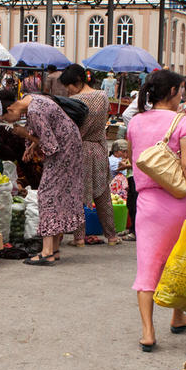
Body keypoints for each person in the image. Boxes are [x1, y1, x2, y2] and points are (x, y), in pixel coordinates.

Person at [126, 69, 186, 351]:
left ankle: (148, 332)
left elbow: (136, 159)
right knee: (180, 262)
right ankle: (178, 315)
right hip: (178, 201)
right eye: (181, 90)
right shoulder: (183, 123)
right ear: (173, 92)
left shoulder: (134, 123)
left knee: (147, 266)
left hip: (146, 203)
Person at [0, 89, 84, 265]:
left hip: (64, 153)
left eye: (4, 119)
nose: (7, 123)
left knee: (47, 195)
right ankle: (53, 249)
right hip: (70, 148)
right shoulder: (33, 100)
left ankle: (46, 252)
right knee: (56, 195)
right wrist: (30, 146)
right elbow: (46, 131)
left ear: (10, 110)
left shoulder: (34, 111)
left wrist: (25, 135)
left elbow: (50, 146)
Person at [60, 64, 119, 246]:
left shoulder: (74, 100)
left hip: (80, 150)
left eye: (68, 85)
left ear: (76, 82)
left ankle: (79, 238)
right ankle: (112, 236)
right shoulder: (102, 96)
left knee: (78, 194)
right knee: (103, 194)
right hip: (99, 149)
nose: (68, 90)